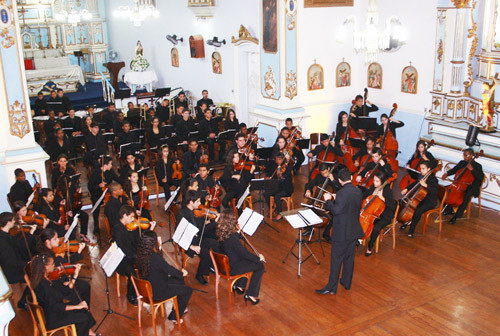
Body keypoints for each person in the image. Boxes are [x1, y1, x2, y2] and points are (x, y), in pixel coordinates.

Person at [315, 168, 363, 295]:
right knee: (349, 258)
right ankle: (346, 283)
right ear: (351, 178)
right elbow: (350, 205)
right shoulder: (358, 191)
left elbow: (336, 211)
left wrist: (328, 201)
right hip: (353, 231)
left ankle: (331, 287)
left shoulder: (342, 193)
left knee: (336, 260)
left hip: (341, 232)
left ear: (340, 181)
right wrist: (338, 198)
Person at [30, 253, 98, 336]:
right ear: (45, 267)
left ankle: (86, 332)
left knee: (83, 310)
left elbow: (66, 291)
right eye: (52, 264)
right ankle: (86, 333)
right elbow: (56, 307)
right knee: (84, 317)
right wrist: (77, 306)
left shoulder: (48, 279)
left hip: (55, 311)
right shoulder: (43, 286)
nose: (54, 266)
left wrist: (75, 274)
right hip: (52, 318)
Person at [136, 231, 192, 324]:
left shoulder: (141, 255)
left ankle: (179, 308)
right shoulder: (155, 258)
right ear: (153, 243)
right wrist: (182, 273)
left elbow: (161, 266)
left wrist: (159, 249)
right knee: (188, 290)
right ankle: (173, 317)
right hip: (158, 291)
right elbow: (169, 269)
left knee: (178, 280)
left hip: (148, 288)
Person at [216, 210, 265, 305]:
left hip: (226, 265)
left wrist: (237, 233)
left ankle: (239, 286)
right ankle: (251, 294)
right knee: (260, 266)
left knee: (247, 262)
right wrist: (259, 258)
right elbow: (244, 254)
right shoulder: (232, 238)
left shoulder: (220, 233)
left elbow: (232, 241)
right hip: (232, 268)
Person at [112, 205, 156, 305]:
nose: (133, 219)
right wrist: (136, 256)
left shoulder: (131, 227)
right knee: (133, 274)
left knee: (150, 262)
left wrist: (150, 229)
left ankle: (148, 287)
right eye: (131, 217)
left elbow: (139, 239)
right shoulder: (117, 229)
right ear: (124, 216)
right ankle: (131, 295)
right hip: (122, 259)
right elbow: (122, 248)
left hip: (132, 254)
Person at [176, 191, 220, 285]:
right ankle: (199, 275)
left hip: (198, 238)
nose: (200, 204)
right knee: (206, 253)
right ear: (191, 202)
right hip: (188, 243)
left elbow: (200, 229)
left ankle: (213, 265)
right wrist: (191, 247)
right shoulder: (182, 215)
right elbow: (179, 236)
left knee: (215, 243)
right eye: (198, 201)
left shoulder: (195, 212)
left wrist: (214, 223)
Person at [442, 148, 484, 224]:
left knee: (466, 196)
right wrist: (447, 174)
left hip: (471, 186)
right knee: (445, 190)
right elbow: (454, 170)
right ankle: (448, 209)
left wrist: (472, 170)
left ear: (471, 155)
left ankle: (456, 216)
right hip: (460, 184)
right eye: (463, 155)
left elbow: (480, 178)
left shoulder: (478, 166)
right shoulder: (462, 163)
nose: (464, 157)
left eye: (466, 155)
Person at [0, 212, 32, 309]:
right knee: (33, 279)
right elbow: (9, 260)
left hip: (16, 267)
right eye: (13, 220)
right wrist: (25, 264)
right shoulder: (2, 240)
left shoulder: (6, 235)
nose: (15, 222)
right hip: (12, 271)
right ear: (8, 222)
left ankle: (25, 303)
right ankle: (23, 304)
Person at [400, 161, 439, 237]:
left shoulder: (433, 179)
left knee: (418, 210)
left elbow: (435, 192)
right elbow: (416, 183)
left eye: (423, 169)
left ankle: (411, 230)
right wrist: (407, 188)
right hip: (421, 198)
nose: (421, 170)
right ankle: (407, 221)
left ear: (429, 169)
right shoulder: (422, 176)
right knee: (409, 205)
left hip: (430, 201)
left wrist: (426, 185)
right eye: (421, 168)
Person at [362, 171, 396, 255]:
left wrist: (383, 198)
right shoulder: (372, 188)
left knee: (376, 228)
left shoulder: (387, 191)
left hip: (384, 216)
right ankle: (358, 239)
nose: (374, 183)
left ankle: (370, 245)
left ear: (382, 182)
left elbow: (393, 206)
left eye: (377, 181)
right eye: (374, 180)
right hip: (372, 213)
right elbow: (364, 196)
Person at [88, 156, 120, 235]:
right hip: (97, 195)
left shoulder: (110, 171)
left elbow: (117, 179)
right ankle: (96, 226)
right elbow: (90, 187)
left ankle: (114, 223)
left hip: (107, 195)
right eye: (110, 164)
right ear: (105, 165)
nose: (111, 165)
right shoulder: (95, 173)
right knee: (96, 211)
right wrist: (99, 186)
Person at [264, 152, 293, 221]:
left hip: (287, 188)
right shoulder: (276, 166)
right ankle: (272, 207)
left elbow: (284, 180)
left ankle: (280, 214)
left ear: (283, 159)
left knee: (277, 196)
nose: (278, 161)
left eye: (279, 159)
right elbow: (270, 173)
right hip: (278, 187)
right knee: (266, 193)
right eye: (276, 159)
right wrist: (268, 177)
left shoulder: (288, 168)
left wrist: (280, 174)